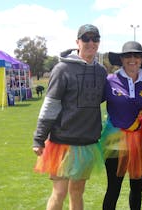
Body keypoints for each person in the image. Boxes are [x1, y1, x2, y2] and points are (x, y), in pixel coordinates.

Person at [32, 24, 107, 210]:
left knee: (77, 192)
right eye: (86, 38)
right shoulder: (62, 69)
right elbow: (51, 104)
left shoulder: (101, 71)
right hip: (62, 143)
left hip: (87, 143)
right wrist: (39, 138)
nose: (91, 43)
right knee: (59, 192)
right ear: (77, 42)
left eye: (94, 39)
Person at [101, 41, 142, 210]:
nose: (132, 59)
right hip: (114, 142)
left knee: (137, 188)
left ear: (141, 60)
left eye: (136, 56)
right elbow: (90, 102)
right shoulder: (109, 81)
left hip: (139, 142)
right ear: (121, 59)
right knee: (113, 188)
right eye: (128, 56)